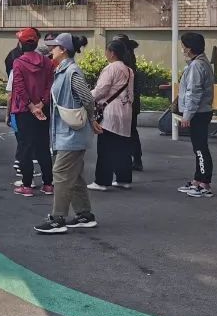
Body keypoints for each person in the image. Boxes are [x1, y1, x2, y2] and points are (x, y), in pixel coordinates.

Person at [35, 34, 99, 234]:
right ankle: (84, 214)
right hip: (67, 133)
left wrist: (92, 119)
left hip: (71, 134)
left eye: (54, 47)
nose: (50, 50)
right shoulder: (64, 70)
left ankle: (57, 218)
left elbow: (87, 98)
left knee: (61, 174)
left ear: (63, 49)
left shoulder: (71, 71)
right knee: (75, 175)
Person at [10, 28, 54, 197]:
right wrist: (41, 104)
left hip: (24, 111)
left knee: (25, 147)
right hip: (43, 109)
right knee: (43, 146)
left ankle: (27, 185)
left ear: (21, 44)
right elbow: (50, 85)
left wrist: (31, 106)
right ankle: (48, 184)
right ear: (36, 43)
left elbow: (19, 87)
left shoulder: (18, 63)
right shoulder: (47, 62)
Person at [88, 39, 135, 192]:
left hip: (110, 112)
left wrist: (87, 96)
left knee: (105, 148)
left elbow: (101, 90)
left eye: (107, 51)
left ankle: (102, 181)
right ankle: (124, 179)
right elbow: (131, 94)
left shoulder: (111, 68)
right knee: (123, 148)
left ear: (112, 53)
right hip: (125, 111)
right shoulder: (129, 70)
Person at [175, 32, 216, 198]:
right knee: (199, 147)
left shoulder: (196, 66)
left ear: (189, 49)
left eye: (183, 47)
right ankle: (197, 180)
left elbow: (194, 92)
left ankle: (204, 183)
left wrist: (187, 115)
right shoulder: (201, 63)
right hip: (202, 112)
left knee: (200, 149)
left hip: (199, 113)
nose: (182, 50)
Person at [113, 33, 144, 171]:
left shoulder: (124, 63)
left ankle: (129, 160)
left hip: (126, 103)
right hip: (132, 102)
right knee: (131, 131)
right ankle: (136, 159)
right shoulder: (130, 58)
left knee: (126, 132)